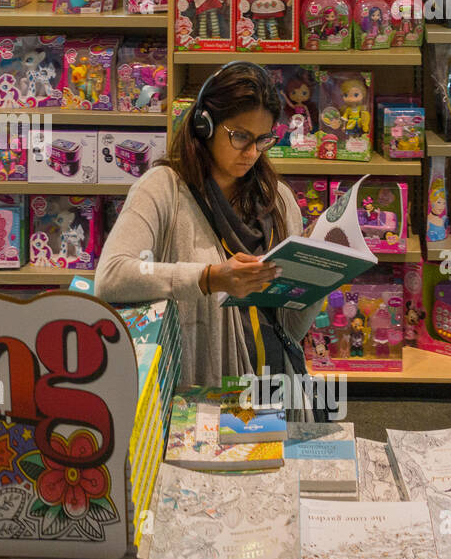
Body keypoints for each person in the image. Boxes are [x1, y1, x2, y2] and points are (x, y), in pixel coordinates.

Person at [95, 63, 325, 398]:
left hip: (276, 395)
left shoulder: (280, 200)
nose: (251, 153)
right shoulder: (162, 190)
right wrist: (208, 278)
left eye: (262, 139)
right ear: (205, 126)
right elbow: (111, 276)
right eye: (240, 136)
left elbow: (289, 327)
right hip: (199, 397)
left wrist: (316, 277)